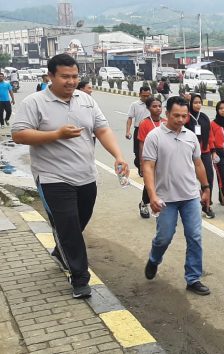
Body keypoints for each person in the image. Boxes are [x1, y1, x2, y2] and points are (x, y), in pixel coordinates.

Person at [11, 53, 129, 299]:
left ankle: (60, 251)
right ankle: (79, 278)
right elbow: (19, 135)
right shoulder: (35, 102)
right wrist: (56, 135)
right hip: (52, 178)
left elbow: (102, 129)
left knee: (79, 222)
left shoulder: (86, 100)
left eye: (74, 76)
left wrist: (118, 155)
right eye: (65, 76)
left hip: (86, 175)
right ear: (50, 76)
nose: (71, 81)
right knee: (68, 228)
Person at [141, 96, 212, 296]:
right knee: (164, 237)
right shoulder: (155, 137)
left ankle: (193, 278)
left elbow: (198, 164)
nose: (180, 120)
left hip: (190, 196)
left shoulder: (190, 136)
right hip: (166, 199)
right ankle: (154, 259)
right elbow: (148, 166)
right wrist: (152, 195)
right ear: (167, 114)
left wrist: (205, 187)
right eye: (176, 116)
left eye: (184, 116)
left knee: (195, 237)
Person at [185, 93, 216, 219]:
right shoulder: (186, 117)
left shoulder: (204, 117)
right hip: (189, 153)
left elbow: (210, 135)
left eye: (199, 102)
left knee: (209, 177)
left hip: (205, 152)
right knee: (190, 179)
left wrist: (212, 150)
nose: (198, 105)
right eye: (195, 102)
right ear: (190, 104)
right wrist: (185, 102)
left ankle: (206, 205)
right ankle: (191, 203)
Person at [136, 97, 165, 219]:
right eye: (154, 106)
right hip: (150, 160)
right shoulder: (144, 123)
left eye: (159, 106)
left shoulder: (165, 122)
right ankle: (144, 203)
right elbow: (142, 144)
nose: (158, 108)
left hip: (163, 159)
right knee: (150, 183)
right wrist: (142, 163)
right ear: (148, 108)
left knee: (162, 182)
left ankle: (161, 204)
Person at [126, 87, 152, 175]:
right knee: (138, 153)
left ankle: (147, 170)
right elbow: (130, 118)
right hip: (139, 130)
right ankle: (139, 165)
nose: (146, 98)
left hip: (151, 131)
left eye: (148, 96)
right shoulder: (135, 105)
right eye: (144, 96)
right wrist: (128, 131)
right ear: (140, 94)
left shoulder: (153, 104)